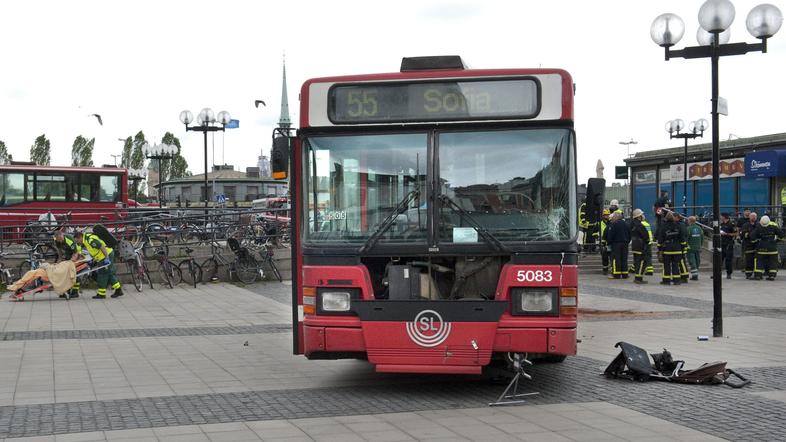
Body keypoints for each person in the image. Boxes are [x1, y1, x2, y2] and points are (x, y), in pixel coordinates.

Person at [75, 231, 123, 299]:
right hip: (102, 256)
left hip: (106, 255)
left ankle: (101, 294)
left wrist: (107, 258)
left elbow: (102, 247)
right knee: (108, 273)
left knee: (102, 274)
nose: (78, 243)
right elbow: (95, 251)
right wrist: (94, 259)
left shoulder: (90, 240)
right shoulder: (86, 240)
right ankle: (118, 290)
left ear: (80, 238)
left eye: (77, 241)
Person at [751, 215, 783, 280]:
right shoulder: (774, 226)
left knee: (759, 261)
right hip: (772, 248)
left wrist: (756, 241)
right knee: (773, 262)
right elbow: (782, 235)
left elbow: (752, 236)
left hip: (761, 248)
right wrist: (776, 240)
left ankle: (758, 275)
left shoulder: (758, 226)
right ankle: (772, 276)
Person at [657, 211, 685, 285]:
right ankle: (677, 280)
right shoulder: (678, 225)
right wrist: (682, 248)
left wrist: (659, 248)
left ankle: (666, 280)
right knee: (676, 265)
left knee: (667, 265)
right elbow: (682, 238)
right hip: (677, 248)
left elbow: (660, 238)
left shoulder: (663, 226)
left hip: (667, 249)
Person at [53, 230, 83, 299]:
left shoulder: (69, 240)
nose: (60, 241)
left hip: (77, 253)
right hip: (68, 254)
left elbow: (75, 253)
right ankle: (67, 291)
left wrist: (71, 262)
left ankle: (75, 292)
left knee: (74, 272)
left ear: (62, 235)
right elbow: (59, 250)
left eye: (61, 239)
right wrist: (60, 260)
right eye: (58, 240)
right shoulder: (56, 240)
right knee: (65, 274)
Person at [607, 211, 630, 279]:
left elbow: (611, 235)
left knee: (616, 259)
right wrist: (627, 241)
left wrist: (609, 242)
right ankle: (625, 274)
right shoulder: (626, 224)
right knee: (624, 258)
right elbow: (629, 234)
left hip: (616, 244)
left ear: (616, 217)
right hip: (625, 243)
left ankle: (616, 274)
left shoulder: (614, 224)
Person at [629, 209, 649, 284]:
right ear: (638, 216)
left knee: (637, 262)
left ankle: (637, 277)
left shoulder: (632, 224)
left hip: (635, 245)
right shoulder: (639, 225)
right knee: (642, 262)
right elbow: (645, 236)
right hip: (640, 245)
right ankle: (639, 278)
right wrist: (647, 242)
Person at [740, 212, 759, 279]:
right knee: (749, 260)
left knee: (757, 260)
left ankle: (758, 274)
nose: (753, 217)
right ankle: (748, 274)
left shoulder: (759, 225)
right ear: (749, 217)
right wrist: (751, 235)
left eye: (755, 216)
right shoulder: (745, 225)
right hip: (748, 245)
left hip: (757, 245)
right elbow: (743, 234)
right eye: (752, 216)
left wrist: (749, 234)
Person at [719, 212, 737, 279]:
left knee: (728, 259)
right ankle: (717, 273)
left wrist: (727, 234)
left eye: (721, 216)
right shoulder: (721, 224)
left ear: (724, 216)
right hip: (721, 243)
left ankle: (729, 273)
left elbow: (736, 233)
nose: (720, 217)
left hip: (729, 244)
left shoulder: (731, 224)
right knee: (719, 259)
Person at [674, 213, 690, 283]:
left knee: (681, 261)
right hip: (682, 245)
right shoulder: (682, 224)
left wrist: (683, 245)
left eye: (674, 217)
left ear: (677, 217)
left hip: (681, 246)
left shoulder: (680, 225)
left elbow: (683, 236)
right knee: (681, 261)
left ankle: (684, 277)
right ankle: (683, 276)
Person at [686, 216, 703, 281]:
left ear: (690, 221)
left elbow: (686, 238)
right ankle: (696, 273)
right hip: (698, 247)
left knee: (692, 261)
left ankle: (694, 276)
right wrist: (700, 245)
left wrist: (687, 245)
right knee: (697, 261)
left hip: (690, 248)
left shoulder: (688, 229)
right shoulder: (699, 228)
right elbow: (702, 237)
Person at [599, 209, 611, 274]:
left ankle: (612, 269)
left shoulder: (611, 223)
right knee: (604, 257)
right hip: (603, 242)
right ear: (603, 216)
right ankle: (605, 269)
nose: (606, 216)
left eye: (607, 215)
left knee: (612, 256)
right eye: (605, 215)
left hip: (610, 242)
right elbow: (595, 233)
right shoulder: (599, 224)